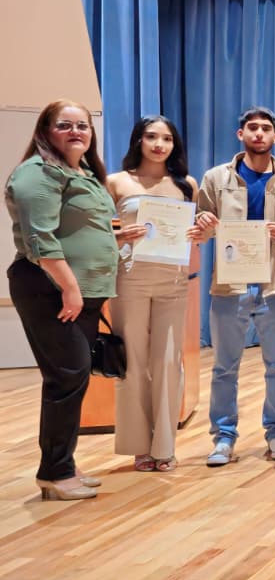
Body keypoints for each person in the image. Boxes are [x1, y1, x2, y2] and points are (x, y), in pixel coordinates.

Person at [5, 100, 117, 500]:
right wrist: (70, 288)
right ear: (45, 130)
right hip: (49, 289)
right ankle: (54, 472)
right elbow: (40, 238)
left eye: (82, 125)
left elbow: (80, 228)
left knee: (75, 376)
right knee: (67, 377)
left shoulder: (82, 171)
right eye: (64, 125)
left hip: (81, 292)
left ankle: (63, 462)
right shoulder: (37, 172)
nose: (76, 132)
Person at [195, 107, 275, 465]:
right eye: (252, 128)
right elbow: (200, 233)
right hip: (230, 286)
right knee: (224, 367)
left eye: (266, 128)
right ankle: (223, 437)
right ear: (240, 134)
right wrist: (203, 222)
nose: (259, 133)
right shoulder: (215, 178)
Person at [106, 116, 201, 472]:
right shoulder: (116, 181)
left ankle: (165, 445)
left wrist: (203, 231)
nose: (159, 145)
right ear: (138, 140)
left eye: (167, 139)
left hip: (173, 280)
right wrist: (119, 236)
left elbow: (196, 232)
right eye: (151, 137)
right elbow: (96, 230)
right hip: (129, 277)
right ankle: (138, 445)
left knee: (168, 362)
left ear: (175, 145)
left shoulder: (186, 184)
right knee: (132, 362)